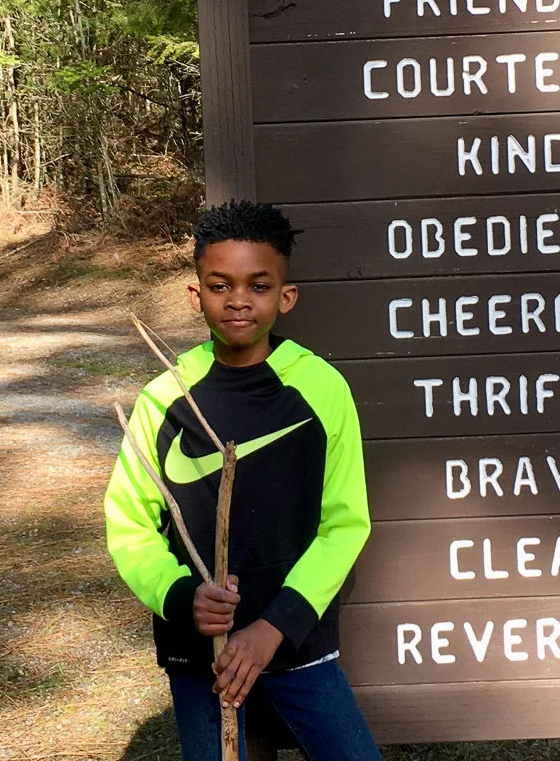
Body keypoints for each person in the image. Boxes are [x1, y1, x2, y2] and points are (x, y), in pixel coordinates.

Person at [104, 200, 381, 761]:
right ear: (195, 294)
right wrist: (183, 598)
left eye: (258, 285)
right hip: (200, 654)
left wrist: (273, 627)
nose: (237, 300)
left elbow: (345, 525)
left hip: (295, 644)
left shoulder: (320, 389)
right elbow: (131, 524)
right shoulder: (165, 398)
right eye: (219, 284)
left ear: (285, 296)